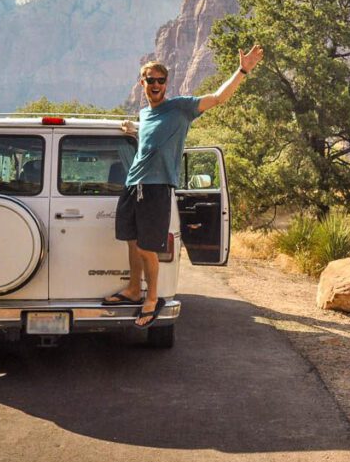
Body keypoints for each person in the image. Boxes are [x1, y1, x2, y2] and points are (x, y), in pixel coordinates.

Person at [104, 46, 264, 328]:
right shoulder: (145, 115)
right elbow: (151, 142)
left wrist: (242, 70)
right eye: (150, 80)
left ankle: (151, 298)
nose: (155, 85)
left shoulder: (180, 108)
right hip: (133, 184)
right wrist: (136, 130)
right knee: (130, 239)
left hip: (156, 188)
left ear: (166, 83)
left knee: (146, 246)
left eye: (160, 80)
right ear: (142, 84)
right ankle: (132, 289)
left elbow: (217, 98)